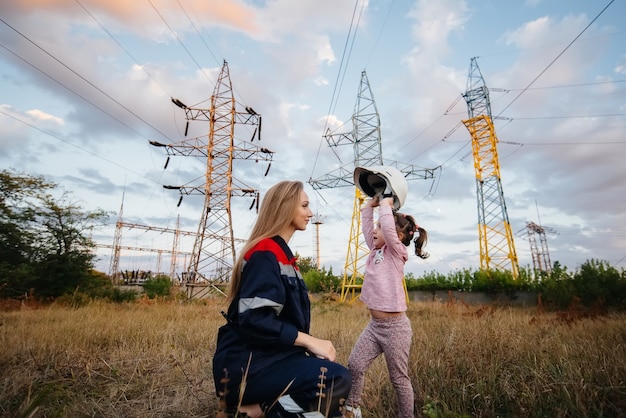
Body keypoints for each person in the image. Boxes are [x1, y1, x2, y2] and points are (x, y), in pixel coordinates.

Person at [212, 180, 351, 418]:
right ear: (286, 208)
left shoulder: (280, 255)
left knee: (328, 391)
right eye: (305, 206)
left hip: (268, 359)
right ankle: (257, 410)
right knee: (334, 379)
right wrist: (309, 341)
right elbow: (255, 319)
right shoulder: (266, 253)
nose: (310, 213)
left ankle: (256, 410)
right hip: (247, 366)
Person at [344, 196, 429, 418]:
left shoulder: (396, 252)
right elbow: (367, 230)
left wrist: (385, 206)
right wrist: (368, 208)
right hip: (374, 327)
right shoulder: (376, 251)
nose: (375, 230)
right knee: (355, 364)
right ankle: (352, 408)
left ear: (397, 236)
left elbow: (389, 233)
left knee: (398, 378)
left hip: (395, 328)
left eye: (380, 227)